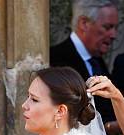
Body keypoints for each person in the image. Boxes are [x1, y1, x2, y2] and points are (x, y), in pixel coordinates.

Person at [50, 0, 118, 128]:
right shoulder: (55, 59)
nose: (114, 34)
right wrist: (109, 127)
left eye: (115, 28)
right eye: (108, 27)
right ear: (84, 23)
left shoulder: (96, 60)